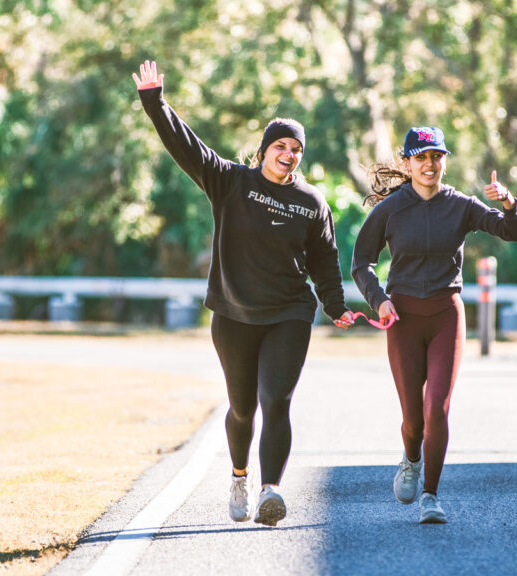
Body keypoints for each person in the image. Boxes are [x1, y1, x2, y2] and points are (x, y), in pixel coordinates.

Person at [133, 60, 355, 527]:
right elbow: (187, 148)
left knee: (276, 400)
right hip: (234, 313)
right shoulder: (230, 181)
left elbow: (324, 260)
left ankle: (271, 491)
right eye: (280, 145)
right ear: (262, 151)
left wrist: (335, 306)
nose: (289, 154)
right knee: (241, 407)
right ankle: (239, 475)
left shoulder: (311, 202)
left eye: (296, 149)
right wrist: (155, 102)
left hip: (289, 313)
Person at [351, 126, 517, 524]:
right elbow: (361, 263)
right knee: (413, 419)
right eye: (422, 157)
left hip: (447, 313)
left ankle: (431, 494)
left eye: (437, 157)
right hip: (404, 319)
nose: (430, 165)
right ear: (409, 162)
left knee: (437, 410)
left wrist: (510, 203)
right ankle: (411, 458)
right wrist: (380, 301)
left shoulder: (460, 205)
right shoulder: (391, 209)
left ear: (444, 161)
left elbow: (511, 231)